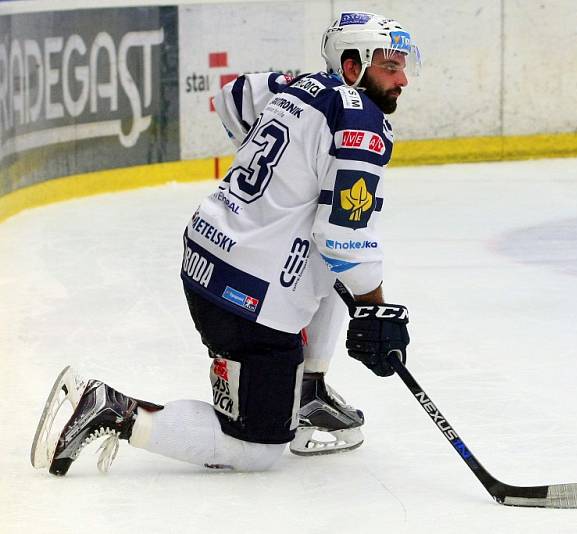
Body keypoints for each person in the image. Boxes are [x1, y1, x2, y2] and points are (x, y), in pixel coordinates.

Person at [30, 11, 421, 476]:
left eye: (403, 67)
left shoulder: (296, 86)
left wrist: (275, 188)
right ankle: (111, 408)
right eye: (389, 67)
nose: (402, 80)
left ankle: (305, 388)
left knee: (327, 263)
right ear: (353, 65)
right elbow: (342, 236)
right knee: (256, 449)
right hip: (247, 301)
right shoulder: (363, 121)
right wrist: (377, 309)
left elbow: (231, 97)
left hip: (205, 254)